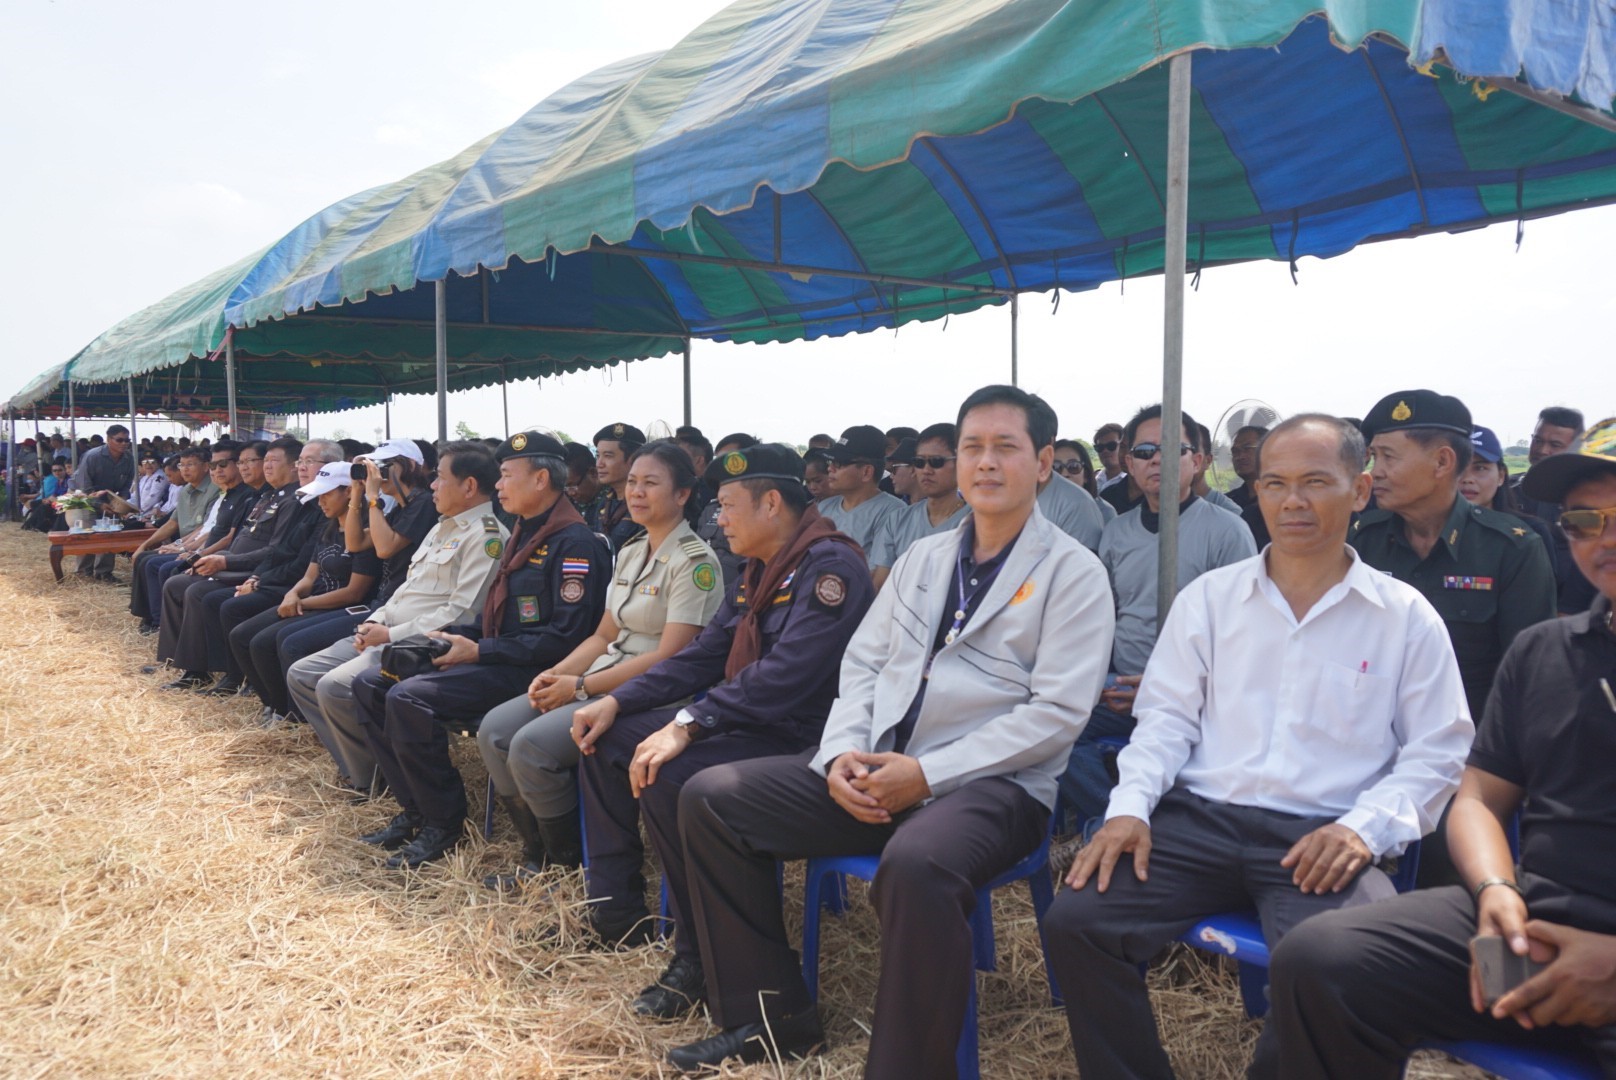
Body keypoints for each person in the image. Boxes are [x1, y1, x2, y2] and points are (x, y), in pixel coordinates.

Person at [666, 385, 1113, 1075]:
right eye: (972, 447)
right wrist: (841, 755)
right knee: (711, 797)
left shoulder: (1073, 573)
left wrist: (926, 776)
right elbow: (864, 666)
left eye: (1006, 447)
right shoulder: (924, 559)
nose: (985, 462)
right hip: (881, 767)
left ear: (1045, 462)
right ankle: (770, 1017)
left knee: (917, 862)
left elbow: (1056, 716)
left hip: (994, 789)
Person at [1045, 414, 1474, 1080]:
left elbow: (1437, 753)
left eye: (1315, 482)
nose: (1292, 501)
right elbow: (1165, 720)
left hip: (1322, 835)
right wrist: (1129, 808)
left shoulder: (1404, 616)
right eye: (1275, 483)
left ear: (1360, 491)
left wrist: (1363, 830)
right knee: (1076, 921)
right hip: (1200, 823)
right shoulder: (1212, 600)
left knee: (1342, 967)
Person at [1268, 416, 1616, 1076]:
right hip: (1529, 924)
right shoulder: (1546, 652)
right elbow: (1480, 794)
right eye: (1583, 521)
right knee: (1322, 960)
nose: (1606, 538)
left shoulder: (1506, 551)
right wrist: (1496, 890)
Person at [569, 443, 872, 1021]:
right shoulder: (762, 566)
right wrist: (616, 700)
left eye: (729, 506)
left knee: (671, 773)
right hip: (756, 723)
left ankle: (697, 954)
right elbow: (708, 652)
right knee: (607, 737)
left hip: (804, 738)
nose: (720, 519)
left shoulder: (829, 567)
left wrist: (689, 722)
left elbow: (786, 677)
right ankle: (616, 911)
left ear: (772, 503)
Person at [349, 432, 610, 869]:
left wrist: (479, 650)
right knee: (373, 683)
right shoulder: (526, 529)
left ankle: (443, 822)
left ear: (541, 479)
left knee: (408, 697)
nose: (499, 485)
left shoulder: (573, 543)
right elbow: (498, 614)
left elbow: (565, 639)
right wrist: (447, 639)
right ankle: (415, 810)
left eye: (506, 475)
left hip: (535, 668)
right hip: (497, 653)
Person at [475, 440, 722, 889]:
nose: (636, 492)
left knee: (531, 746)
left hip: (650, 692)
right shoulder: (631, 550)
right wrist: (558, 673)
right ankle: (536, 850)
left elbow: (670, 656)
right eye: (633, 482)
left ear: (683, 494)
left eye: (651, 483)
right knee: (494, 730)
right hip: (600, 676)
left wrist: (580, 687)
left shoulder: (695, 562)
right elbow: (604, 635)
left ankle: (565, 866)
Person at [1061, 405, 1258, 822]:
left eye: (1172, 450)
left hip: (1201, 696)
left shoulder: (1228, 531)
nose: (1157, 460)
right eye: (1145, 451)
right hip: (1120, 687)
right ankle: (1118, 819)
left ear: (1197, 461)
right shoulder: (1117, 532)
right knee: (1053, 730)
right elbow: (1103, 617)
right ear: (1129, 463)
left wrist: (1163, 688)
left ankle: (1134, 826)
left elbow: (1245, 637)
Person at [284, 441, 505, 799]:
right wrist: (373, 623)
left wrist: (390, 634)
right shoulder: (443, 527)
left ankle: (372, 781)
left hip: (417, 643)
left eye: (441, 478)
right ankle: (366, 765)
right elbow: (406, 589)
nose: (433, 485)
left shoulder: (486, 536)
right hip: (386, 629)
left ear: (468, 486)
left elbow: (462, 612)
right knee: (302, 674)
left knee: (333, 685)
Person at [1351, 390, 1556, 727]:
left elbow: (1529, 675)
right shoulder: (1362, 541)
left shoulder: (1511, 548)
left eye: (1388, 457)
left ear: (1442, 462)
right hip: (1373, 737)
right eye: (1374, 457)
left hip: (1471, 740)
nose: (1377, 472)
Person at [225, 463, 380, 724]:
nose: (320, 502)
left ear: (349, 492)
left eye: (326, 494)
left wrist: (303, 603)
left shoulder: (365, 533)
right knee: (242, 635)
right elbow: (309, 576)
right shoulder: (329, 528)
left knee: (273, 642)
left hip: (339, 607)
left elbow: (354, 593)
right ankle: (274, 704)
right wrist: (293, 594)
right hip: (310, 601)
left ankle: (292, 715)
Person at [154, 438, 313, 687]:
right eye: (264, 460)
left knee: (198, 592)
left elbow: (277, 551)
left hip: (254, 569)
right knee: (176, 581)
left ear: (293, 466)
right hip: (236, 562)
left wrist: (228, 563)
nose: (266, 466)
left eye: (272, 460)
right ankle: (180, 661)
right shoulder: (267, 496)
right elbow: (239, 538)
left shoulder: (292, 500)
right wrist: (210, 557)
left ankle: (211, 670)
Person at [1514, 406, 1596, 615]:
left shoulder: (1590, 501)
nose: (1542, 450)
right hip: (1513, 604)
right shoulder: (1507, 492)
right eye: (1538, 441)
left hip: (1570, 611)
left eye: (1555, 445)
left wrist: (1567, 611)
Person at [868, 422, 969, 589]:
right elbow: (880, 584)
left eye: (936, 461)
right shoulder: (898, 520)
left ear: (961, 463)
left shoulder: (977, 523)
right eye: (919, 462)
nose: (926, 470)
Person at [129, 447, 220, 631]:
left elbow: (205, 529)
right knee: (143, 556)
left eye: (190, 464)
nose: (184, 469)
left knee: (154, 564)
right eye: (181, 465)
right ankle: (147, 614)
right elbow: (172, 523)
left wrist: (179, 546)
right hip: (185, 542)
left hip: (199, 545)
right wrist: (145, 544)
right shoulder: (185, 490)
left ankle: (158, 621)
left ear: (205, 466)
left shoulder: (215, 490)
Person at [1463, 426, 1558, 579]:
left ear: (1501, 476)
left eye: (1480, 468)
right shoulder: (1426, 531)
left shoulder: (1531, 532)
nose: (1467, 479)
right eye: (1458, 467)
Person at [817, 425, 906, 557]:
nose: (830, 468)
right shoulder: (823, 507)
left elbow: (880, 567)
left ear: (866, 472)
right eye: (830, 462)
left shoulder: (894, 513)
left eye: (839, 463)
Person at [70, 424, 136, 580]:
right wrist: (99, 505)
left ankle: (104, 573)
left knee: (110, 534)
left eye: (127, 440)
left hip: (109, 499)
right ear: (108, 439)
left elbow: (127, 484)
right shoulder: (92, 456)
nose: (124, 443)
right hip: (84, 499)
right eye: (119, 440)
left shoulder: (129, 459)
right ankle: (83, 573)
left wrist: (120, 502)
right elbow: (84, 486)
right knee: (87, 534)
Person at [591, 422, 648, 552]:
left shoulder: (644, 503)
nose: (599, 464)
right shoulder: (604, 504)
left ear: (632, 460)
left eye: (608, 456)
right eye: (598, 456)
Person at [1190, 421, 1243, 516]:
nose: (1182, 459)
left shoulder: (1230, 514)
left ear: (1208, 460)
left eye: (1191, 450)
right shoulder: (1162, 506)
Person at [1226, 423, 1268, 510]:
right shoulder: (1227, 503)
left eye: (1247, 448)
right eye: (1235, 451)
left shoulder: (1284, 498)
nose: (1240, 456)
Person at [884, 437, 919, 503]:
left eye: (894, 468)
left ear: (913, 470)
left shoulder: (937, 507)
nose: (891, 476)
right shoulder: (898, 506)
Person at [1094, 422, 1126, 488]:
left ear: (1123, 447)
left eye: (1111, 445)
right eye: (1100, 447)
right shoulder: (1093, 481)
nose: (1105, 451)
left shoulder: (1135, 482)